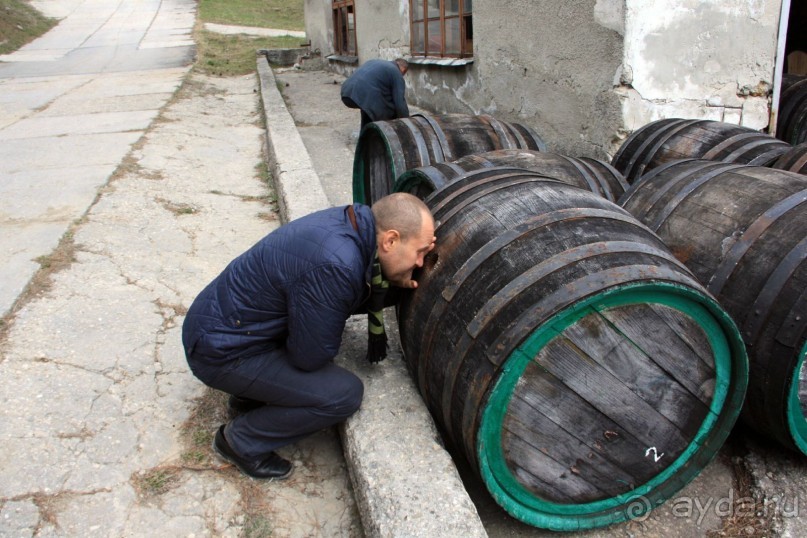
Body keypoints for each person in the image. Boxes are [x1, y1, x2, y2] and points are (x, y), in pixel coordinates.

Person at [182, 193, 436, 480]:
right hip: (220, 351)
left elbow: (346, 294)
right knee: (342, 394)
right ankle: (240, 441)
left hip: (222, 327)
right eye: (420, 252)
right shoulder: (337, 265)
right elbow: (310, 357)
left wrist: (396, 280)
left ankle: (250, 397)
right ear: (390, 241)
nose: (420, 262)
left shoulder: (352, 224)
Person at [341, 58, 410, 132]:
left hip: (346, 91)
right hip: (362, 93)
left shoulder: (375, 62)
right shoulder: (396, 72)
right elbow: (400, 103)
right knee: (387, 110)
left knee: (368, 107)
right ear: (403, 70)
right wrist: (407, 122)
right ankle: (385, 136)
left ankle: (365, 137)